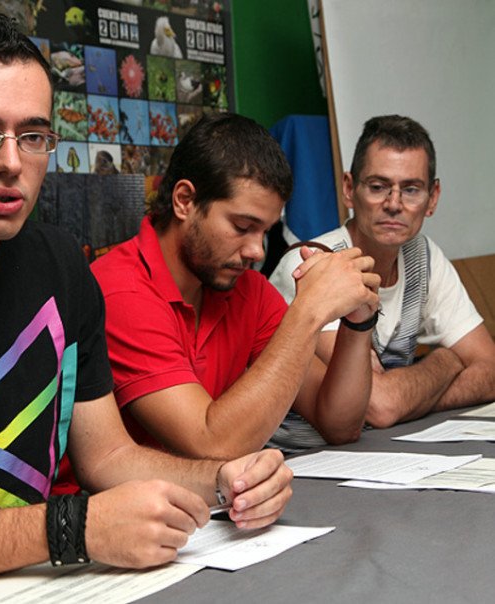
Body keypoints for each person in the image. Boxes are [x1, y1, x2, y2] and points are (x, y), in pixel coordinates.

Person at [0, 9, 293, 586]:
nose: (10, 162)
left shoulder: (58, 263)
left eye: (32, 136)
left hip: (43, 584)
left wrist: (224, 478)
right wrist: (68, 528)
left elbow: (106, 457)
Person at [91, 112, 381, 459]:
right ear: (185, 201)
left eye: (265, 231)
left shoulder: (247, 289)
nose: (256, 251)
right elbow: (210, 443)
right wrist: (308, 311)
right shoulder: (120, 290)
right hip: (113, 506)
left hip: (206, 500)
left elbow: (339, 425)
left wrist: (358, 321)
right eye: (243, 226)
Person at [271, 115, 495, 428]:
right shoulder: (312, 264)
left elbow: (490, 369)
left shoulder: (424, 256)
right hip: (297, 461)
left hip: (379, 454)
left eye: (412, 190)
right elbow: (378, 407)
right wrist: (447, 361)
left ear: (432, 198)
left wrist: (409, 400)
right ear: (349, 189)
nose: (394, 204)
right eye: (378, 187)